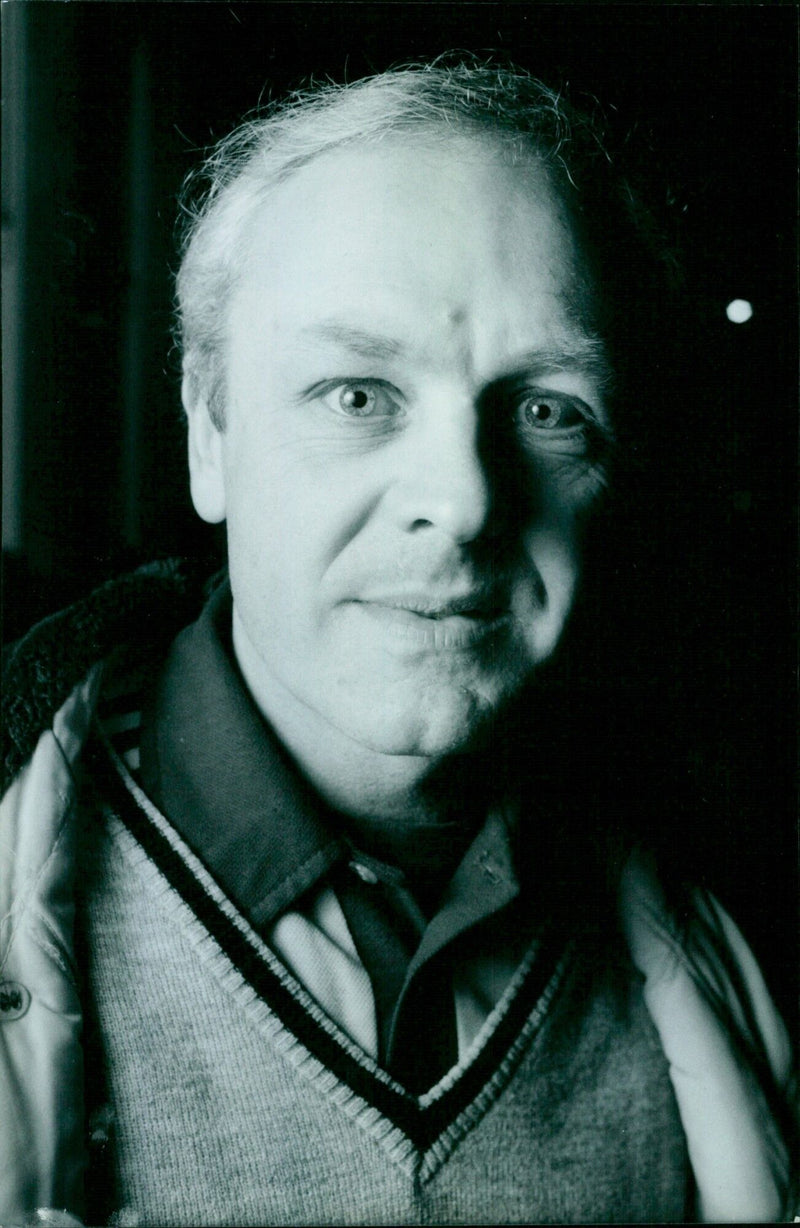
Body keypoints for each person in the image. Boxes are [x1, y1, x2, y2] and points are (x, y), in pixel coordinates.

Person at [1, 60, 795, 1225]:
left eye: (543, 409)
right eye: (357, 394)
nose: (466, 500)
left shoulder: (736, 925)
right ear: (207, 435)